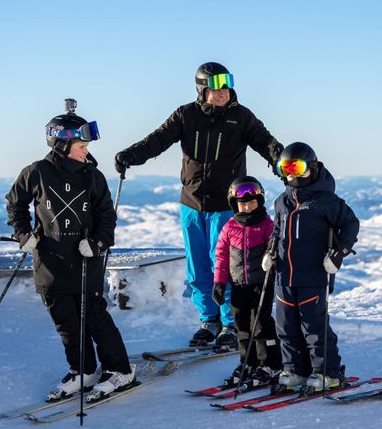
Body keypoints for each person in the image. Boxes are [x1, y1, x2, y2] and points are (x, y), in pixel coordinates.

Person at [113, 62, 284, 348]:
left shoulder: (241, 117)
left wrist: (282, 162)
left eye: (227, 86)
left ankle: (231, 323)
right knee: (198, 266)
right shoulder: (186, 115)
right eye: (216, 88)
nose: (223, 92)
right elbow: (158, 139)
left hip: (226, 207)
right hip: (191, 204)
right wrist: (131, 155)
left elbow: (266, 142)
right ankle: (208, 320)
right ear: (202, 89)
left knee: (227, 266)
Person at [5, 99, 135, 403]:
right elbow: (15, 202)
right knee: (65, 321)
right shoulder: (36, 172)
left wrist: (98, 243)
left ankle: (120, 371)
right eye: (81, 144)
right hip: (49, 261)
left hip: (85, 259)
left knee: (93, 317)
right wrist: (23, 234)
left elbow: (107, 217)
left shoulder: (93, 176)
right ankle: (83, 371)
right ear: (62, 144)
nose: (86, 149)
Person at [262, 142, 359, 393]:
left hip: (313, 275)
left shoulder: (326, 201)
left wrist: (338, 254)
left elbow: (350, 225)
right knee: (286, 327)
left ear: (312, 168)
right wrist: (270, 252)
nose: (291, 173)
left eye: (297, 166)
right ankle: (295, 370)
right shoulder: (281, 202)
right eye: (285, 168)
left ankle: (328, 372)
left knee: (314, 327)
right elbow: (277, 231)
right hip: (284, 276)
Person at [212, 176, 283, 387]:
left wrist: (272, 263)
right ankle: (248, 362)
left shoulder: (267, 226)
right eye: (243, 204)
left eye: (252, 203)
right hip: (238, 285)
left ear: (260, 202)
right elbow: (222, 257)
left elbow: (276, 253)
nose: (248, 207)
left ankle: (269, 364)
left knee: (260, 324)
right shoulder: (229, 227)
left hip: (261, 285)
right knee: (241, 325)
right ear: (235, 205)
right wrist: (219, 283)